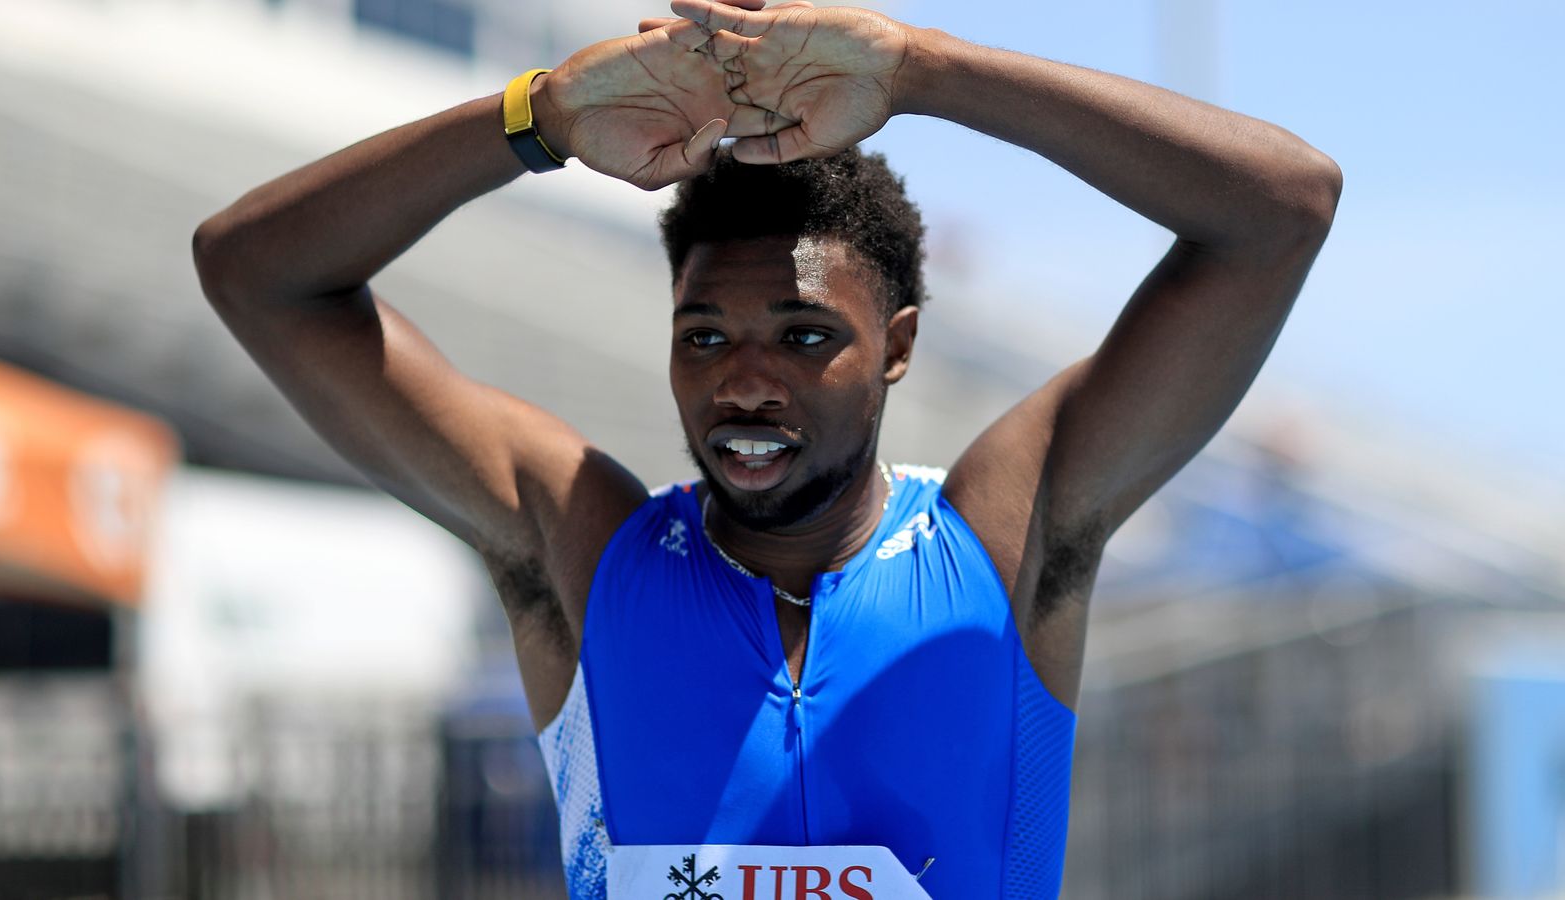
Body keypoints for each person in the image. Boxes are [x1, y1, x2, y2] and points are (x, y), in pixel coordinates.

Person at [192, 0, 1340, 896]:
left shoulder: (1002, 535)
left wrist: (926, 71)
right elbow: (255, 272)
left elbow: (1281, 206)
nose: (745, 380)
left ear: (894, 347)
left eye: (803, 336)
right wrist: (534, 120)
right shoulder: (586, 551)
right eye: (705, 335)